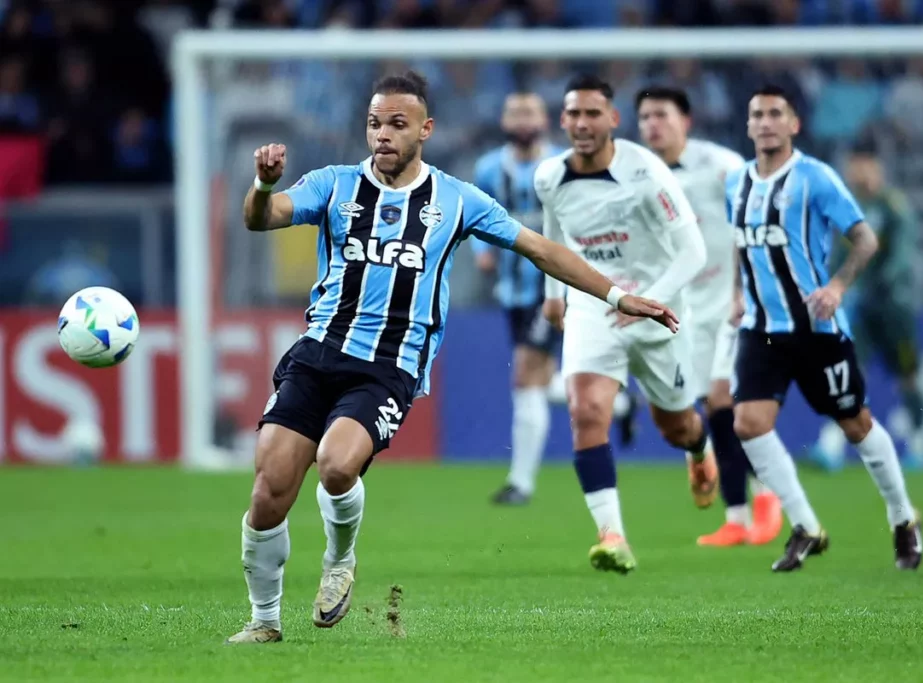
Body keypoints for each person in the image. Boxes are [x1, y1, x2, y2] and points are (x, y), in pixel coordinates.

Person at [228, 71, 679, 644]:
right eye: (374, 124)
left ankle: (339, 561)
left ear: (426, 129)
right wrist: (264, 185)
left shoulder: (456, 199)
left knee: (338, 465)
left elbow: (540, 248)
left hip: (391, 364)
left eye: (397, 124)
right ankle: (265, 621)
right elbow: (260, 217)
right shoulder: (334, 185)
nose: (383, 135)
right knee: (269, 488)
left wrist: (616, 295)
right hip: (317, 351)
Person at [728, 85, 923, 573]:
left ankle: (902, 517)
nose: (766, 122)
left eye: (777, 114)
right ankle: (806, 527)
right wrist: (736, 291)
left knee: (854, 422)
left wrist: (836, 286)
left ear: (794, 124)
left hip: (817, 329)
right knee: (749, 424)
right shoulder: (736, 182)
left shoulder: (816, 178)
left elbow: (865, 238)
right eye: (758, 114)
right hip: (762, 328)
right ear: (748, 125)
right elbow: (742, 244)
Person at [535, 74, 717, 575]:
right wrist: (554, 296)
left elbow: (693, 251)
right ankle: (611, 534)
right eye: (573, 113)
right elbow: (555, 233)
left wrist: (647, 300)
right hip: (595, 304)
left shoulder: (646, 173)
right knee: (586, 409)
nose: (582, 123)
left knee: (674, 425)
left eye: (593, 113)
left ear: (613, 120)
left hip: (660, 310)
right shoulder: (550, 176)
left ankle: (699, 447)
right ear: (563, 120)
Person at [472, 92, 637, 506]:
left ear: (546, 119)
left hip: (556, 288)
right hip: (512, 291)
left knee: (526, 375)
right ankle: (618, 403)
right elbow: (473, 218)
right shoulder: (489, 168)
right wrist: (482, 252)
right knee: (537, 382)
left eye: (528, 112)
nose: (521, 119)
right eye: (513, 112)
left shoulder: (564, 167)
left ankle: (520, 484)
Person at [635, 85, 783, 548]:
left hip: (731, 302)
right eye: (644, 117)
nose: (652, 125)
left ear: (686, 121)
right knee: (710, 410)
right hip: (683, 310)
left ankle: (769, 498)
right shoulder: (637, 173)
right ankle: (738, 517)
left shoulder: (721, 166)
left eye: (661, 114)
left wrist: (749, 288)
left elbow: (754, 221)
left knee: (722, 399)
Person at [810, 138, 923, 472]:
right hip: (860, 308)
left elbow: (902, 255)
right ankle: (831, 447)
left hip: (894, 306)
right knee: (850, 371)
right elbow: (838, 257)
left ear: (876, 167)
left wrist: (879, 284)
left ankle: (920, 444)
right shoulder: (848, 209)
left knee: (908, 376)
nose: (855, 171)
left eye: (861, 163)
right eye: (852, 164)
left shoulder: (893, 206)